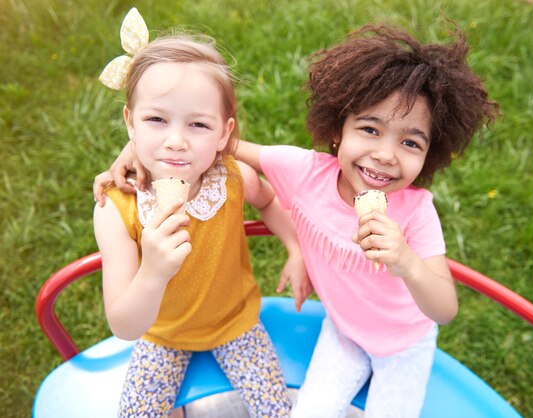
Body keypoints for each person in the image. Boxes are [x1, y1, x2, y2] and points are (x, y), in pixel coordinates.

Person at [95, 22, 499, 417]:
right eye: (370, 129)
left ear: (431, 153)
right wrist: (134, 150)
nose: (386, 155)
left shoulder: (417, 210)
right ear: (337, 129)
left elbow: (444, 310)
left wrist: (406, 262)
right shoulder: (305, 173)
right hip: (339, 332)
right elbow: (218, 144)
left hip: (404, 345)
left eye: (410, 142)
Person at [93, 8, 310, 418]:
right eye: (156, 119)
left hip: (236, 322)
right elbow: (124, 325)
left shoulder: (232, 177)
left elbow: (266, 202)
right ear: (130, 123)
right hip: (161, 335)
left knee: (277, 412)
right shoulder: (115, 210)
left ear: (224, 133)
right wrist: (153, 270)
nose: (176, 141)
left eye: (198, 125)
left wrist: (295, 249)